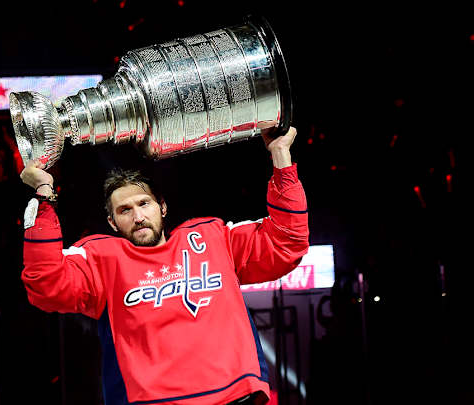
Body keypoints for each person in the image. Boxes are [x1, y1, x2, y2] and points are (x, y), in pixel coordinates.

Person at [19, 127, 309, 405]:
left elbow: (286, 243)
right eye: (124, 210)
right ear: (112, 222)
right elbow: (45, 283)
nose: (138, 217)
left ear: (162, 207)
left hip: (234, 397)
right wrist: (43, 195)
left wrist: (280, 154)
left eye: (144, 204)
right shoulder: (101, 259)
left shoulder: (212, 238)